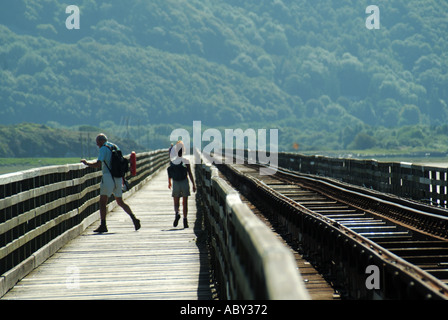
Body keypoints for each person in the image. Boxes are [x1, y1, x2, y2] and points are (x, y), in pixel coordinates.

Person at [81, 133, 141, 233]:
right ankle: (134, 219)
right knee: (120, 202)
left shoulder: (103, 149)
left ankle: (103, 225)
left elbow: (98, 164)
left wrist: (87, 163)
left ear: (101, 141)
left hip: (108, 177)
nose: (97, 145)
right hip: (117, 177)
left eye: (97, 142)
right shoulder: (114, 146)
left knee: (102, 202)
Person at [167, 141, 196, 228]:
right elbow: (190, 173)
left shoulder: (173, 161)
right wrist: (194, 184)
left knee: (176, 203)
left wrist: (169, 183)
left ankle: (177, 213)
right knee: (185, 202)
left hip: (176, 182)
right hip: (184, 182)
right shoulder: (186, 161)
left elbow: (170, 172)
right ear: (183, 150)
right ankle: (185, 220)